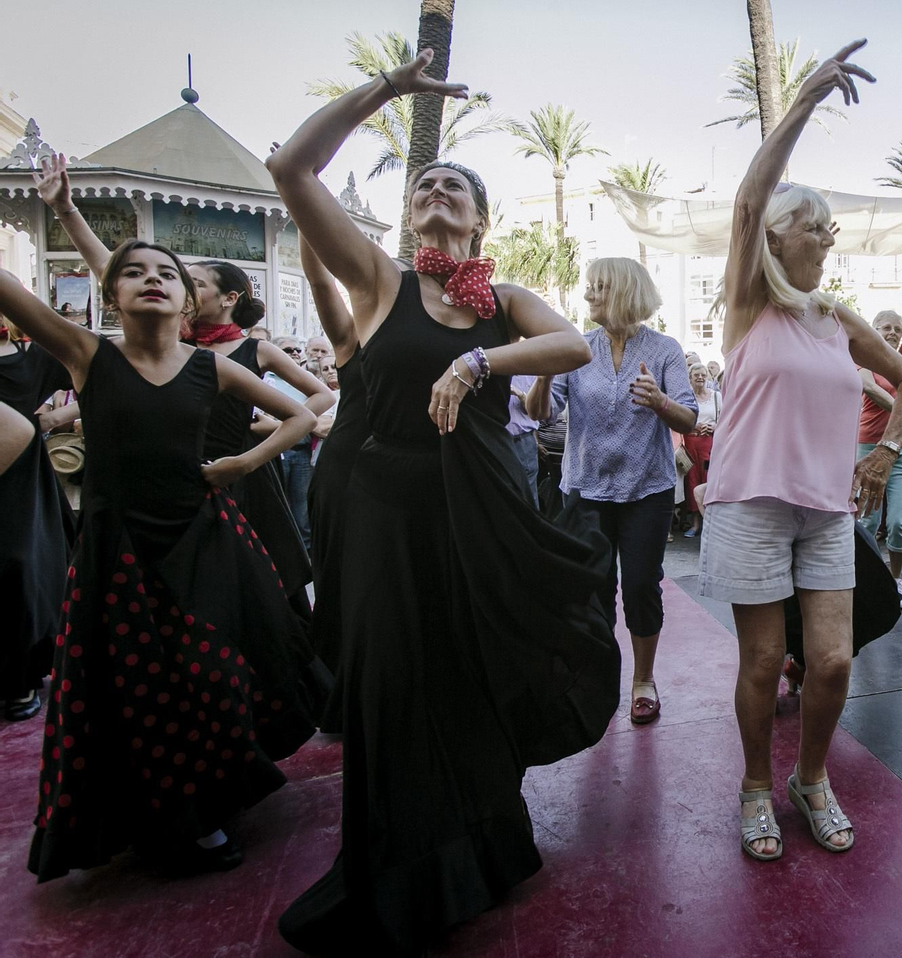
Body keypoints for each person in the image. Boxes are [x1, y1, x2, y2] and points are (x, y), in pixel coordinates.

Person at [266, 48, 620, 950]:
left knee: (470, 680)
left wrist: (478, 358)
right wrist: (390, 88)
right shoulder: (381, 280)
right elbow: (290, 170)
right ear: (407, 211)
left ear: (481, 217)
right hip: (386, 514)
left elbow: (574, 347)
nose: (437, 187)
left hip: (484, 518)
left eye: (454, 183)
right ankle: (395, 868)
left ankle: (482, 851)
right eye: (424, 182)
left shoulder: (502, 298)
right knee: (392, 687)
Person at [2, 241, 321, 878]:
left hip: (202, 541)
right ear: (111, 292)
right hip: (118, 554)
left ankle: (210, 795)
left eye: (167, 274)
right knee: (138, 690)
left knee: (212, 672)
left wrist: (242, 464)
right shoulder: (88, 354)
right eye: (133, 272)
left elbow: (299, 414)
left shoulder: (212, 368)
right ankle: (183, 818)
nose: (152, 280)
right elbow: (9, 287)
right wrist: (64, 212)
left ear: (185, 300)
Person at [699, 40, 902, 860]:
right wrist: (806, 102)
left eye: (830, 228)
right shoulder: (752, 303)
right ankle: (757, 784)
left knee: (829, 663)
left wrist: (887, 450)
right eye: (813, 225)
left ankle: (811, 777)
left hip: (826, 509)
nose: (826, 237)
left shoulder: (836, 316)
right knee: (764, 662)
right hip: (752, 503)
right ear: (780, 237)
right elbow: (750, 197)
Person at [36, 155, 334, 617]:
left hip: (228, 474)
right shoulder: (165, 345)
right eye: (141, 275)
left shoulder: (245, 354)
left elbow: (316, 400)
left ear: (220, 299)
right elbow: (111, 279)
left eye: (188, 280)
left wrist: (258, 439)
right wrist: (66, 211)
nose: (166, 283)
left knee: (243, 592)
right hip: (154, 484)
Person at [530, 256, 697, 727]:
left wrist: (659, 400)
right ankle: (599, 678)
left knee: (641, 585)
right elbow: (541, 414)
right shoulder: (577, 349)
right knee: (593, 588)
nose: (589, 296)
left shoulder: (663, 349)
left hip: (647, 489)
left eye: (598, 287)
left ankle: (643, 679)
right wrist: (544, 370)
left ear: (623, 291)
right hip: (585, 488)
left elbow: (688, 415)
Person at [0, 311, 75, 723]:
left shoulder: (34, 356)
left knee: (21, 570)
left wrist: (56, 417)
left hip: (22, 480)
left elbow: (99, 377)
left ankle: (21, 680)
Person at [300, 238, 367, 692]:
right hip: (349, 470)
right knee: (343, 581)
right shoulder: (350, 335)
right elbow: (320, 278)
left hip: (412, 467)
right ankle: (345, 688)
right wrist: (303, 195)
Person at [856, 251, 902, 601]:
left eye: (897, 329)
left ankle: (896, 580)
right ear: (874, 330)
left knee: (899, 523)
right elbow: (867, 386)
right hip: (868, 445)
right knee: (867, 522)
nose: (895, 333)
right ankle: (868, 583)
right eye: (887, 328)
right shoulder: (861, 356)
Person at [681, 362, 720, 537]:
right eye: (696, 375)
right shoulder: (686, 397)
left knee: (710, 480)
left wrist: (712, 427)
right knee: (692, 482)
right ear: (690, 378)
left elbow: (727, 420)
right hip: (690, 443)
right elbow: (680, 420)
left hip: (710, 444)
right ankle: (696, 524)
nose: (700, 377)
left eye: (703, 374)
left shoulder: (716, 397)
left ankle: (711, 523)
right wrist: (692, 425)